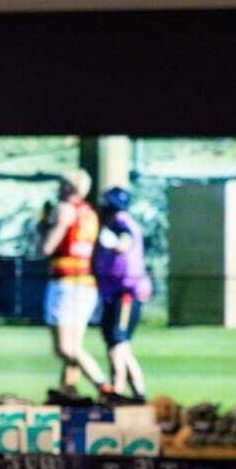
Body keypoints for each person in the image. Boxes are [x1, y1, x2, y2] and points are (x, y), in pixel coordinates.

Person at [36, 168, 110, 398]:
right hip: (86, 283)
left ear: (69, 187)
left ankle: (103, 385)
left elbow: (45, 248)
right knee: (74, 348)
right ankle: (67, 394)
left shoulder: (65, 210)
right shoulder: (90, 213)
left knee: (64, 348)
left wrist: (42, 228)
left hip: (66, 283)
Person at [93, 186, 154, 401]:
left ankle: (117, 390)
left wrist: (112, 241)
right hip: (113, 292)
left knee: (118, 343)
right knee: (117, 343)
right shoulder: (115, 223)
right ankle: (138, 392)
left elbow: (123, 244)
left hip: (125, 292)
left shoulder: (121, 223)